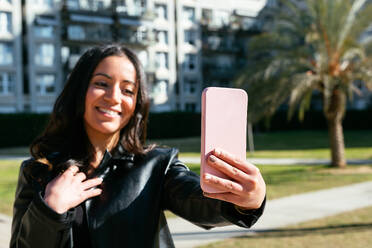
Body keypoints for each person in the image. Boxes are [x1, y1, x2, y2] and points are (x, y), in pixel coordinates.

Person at [10, 44, 266, 248]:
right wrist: (49, 210)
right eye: (101, 83)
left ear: (137, 103)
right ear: (80, 90)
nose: (114, 98)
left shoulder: (156, 165)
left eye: (128, 90)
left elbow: (201, 203)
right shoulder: (37, 172)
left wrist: (245, 200)